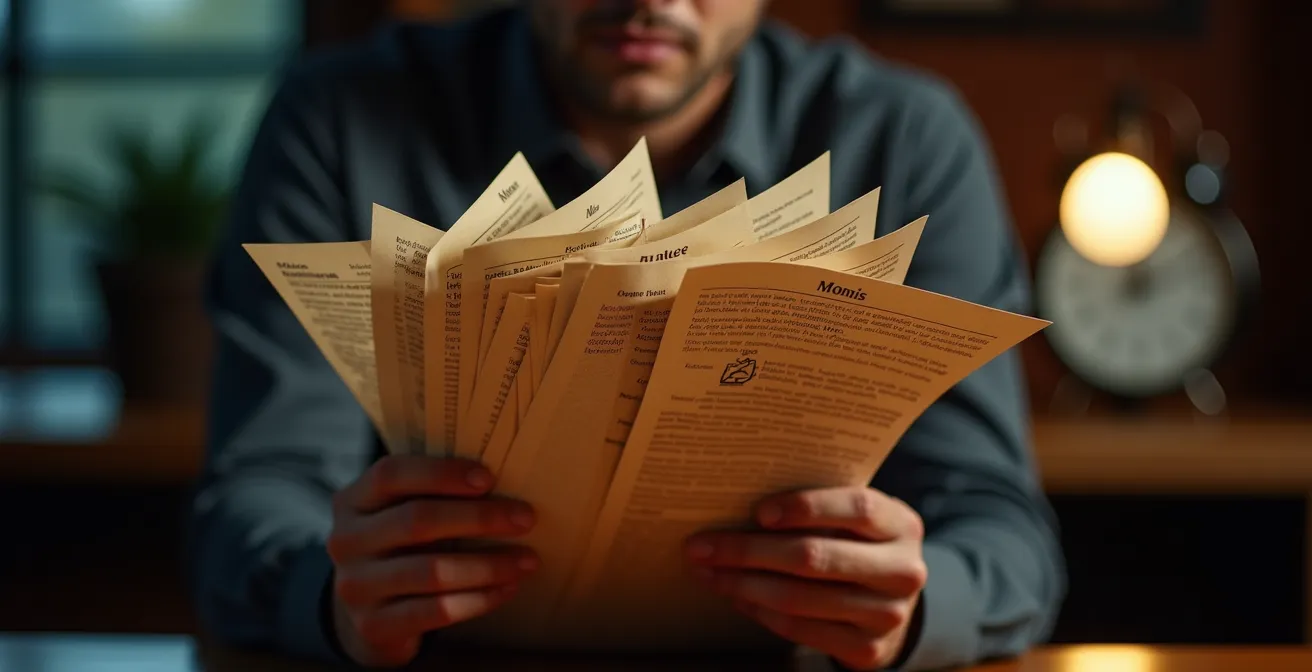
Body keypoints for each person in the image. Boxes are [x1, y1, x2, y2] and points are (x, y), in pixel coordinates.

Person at [190, 1, 1066, 669]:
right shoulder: (340, 119)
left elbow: (1002, 538)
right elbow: (254, 501)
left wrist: (909, 608)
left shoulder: (904, 137)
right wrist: (337, 594)